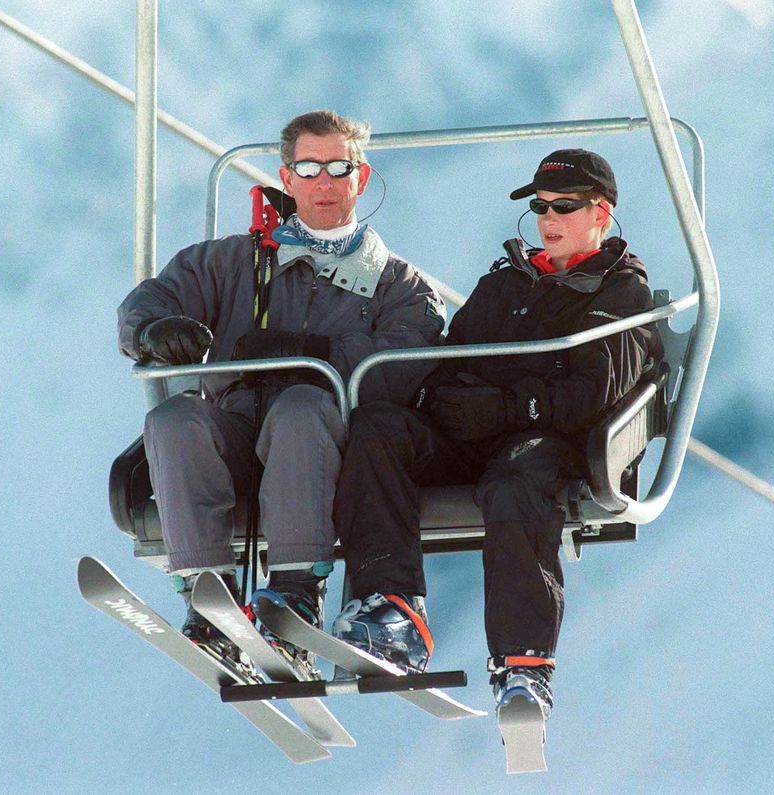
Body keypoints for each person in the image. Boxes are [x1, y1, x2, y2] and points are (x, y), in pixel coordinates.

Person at [331, 149, 663, 719]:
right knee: (379, 428)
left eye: (564, 206)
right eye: (540, 206)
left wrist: (509, 406)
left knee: (517, 483)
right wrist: (448, 399)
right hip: (472, 436)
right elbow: (457, 352)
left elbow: (594, 392)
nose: (548, 218)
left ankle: (524, 665)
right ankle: (391, 607)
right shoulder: (509, 279)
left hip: (548, 441)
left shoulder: (618, 292)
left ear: (600, 213)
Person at [117, 109, 446, 677]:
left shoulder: (399, 286)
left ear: (360, 178)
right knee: (175, 419)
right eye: (310, 168)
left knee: (301, 406)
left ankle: (295, 594)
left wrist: (308, 353)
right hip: (236, 429)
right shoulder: (231, 264)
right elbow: (150, 301)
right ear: (287, 178)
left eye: (338, 168)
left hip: (322, 446)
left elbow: (399, 366)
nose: (324, 182)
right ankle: (209, 595)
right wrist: (155, 331)